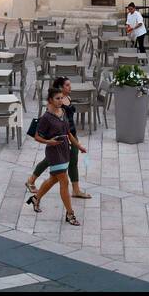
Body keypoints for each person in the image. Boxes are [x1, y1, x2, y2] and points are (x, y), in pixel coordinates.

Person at [25, 77, 90, 200]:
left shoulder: (68, 98)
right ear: (60, 88)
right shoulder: (55, 103)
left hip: (70, 134)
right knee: (51, 161)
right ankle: (32, 181)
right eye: (67, 85)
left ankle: (75, 189)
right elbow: (49, 118)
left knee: (70, 161)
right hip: (61, 136)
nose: (70, 87)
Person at [26, 87, 82, 226]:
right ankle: (70, 214)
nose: (60, 100)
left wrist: (78, 146)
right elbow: (37, 137)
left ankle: (36, 198)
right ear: (50, 100)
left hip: (64, 150)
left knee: (53, 179)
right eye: (57, 98)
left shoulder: (62, 112)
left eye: (61, 98)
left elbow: (68, 132)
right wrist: (48, 141)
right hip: (53, 152)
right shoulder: (46, 118)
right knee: (64, 182)